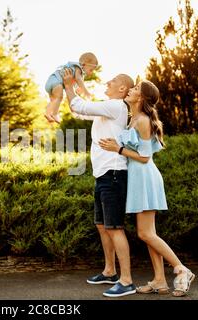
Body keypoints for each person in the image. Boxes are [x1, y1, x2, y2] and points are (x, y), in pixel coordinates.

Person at [98, 80, 196, 297]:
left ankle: (181, 269)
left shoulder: (142, 121)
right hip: (137, 178)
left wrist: (118, 149)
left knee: (145, 233)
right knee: (149, 233)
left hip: (145, 177)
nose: (130, 90)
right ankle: (159, 280)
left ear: (141, 98)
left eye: (134, 89)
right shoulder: (134, 119)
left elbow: (144, 157)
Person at [62, 68, 137, 298]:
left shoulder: (115, 106)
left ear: (122, 88)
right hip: (103, 175)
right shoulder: (107, 108)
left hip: (113, 175)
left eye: (112, 80)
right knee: (103, 226)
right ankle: (110, 271)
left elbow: (80, 106)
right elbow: (79, 112)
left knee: (114, 228)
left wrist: (68, 85)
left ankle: (127, 281)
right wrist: (74, 86)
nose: (107, 81)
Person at [44, 52, 98, 124]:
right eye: (91, 70)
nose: (91, 72)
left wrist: (78, 89)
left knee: (54, 100)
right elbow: (78, 79)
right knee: (59, 97)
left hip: (52, 80)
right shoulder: (78, 68)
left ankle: (47, 114)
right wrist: (85, 91)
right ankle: (55, 114)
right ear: (84, 64)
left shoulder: (75, 71)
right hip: (56, 80)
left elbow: (76, 83)